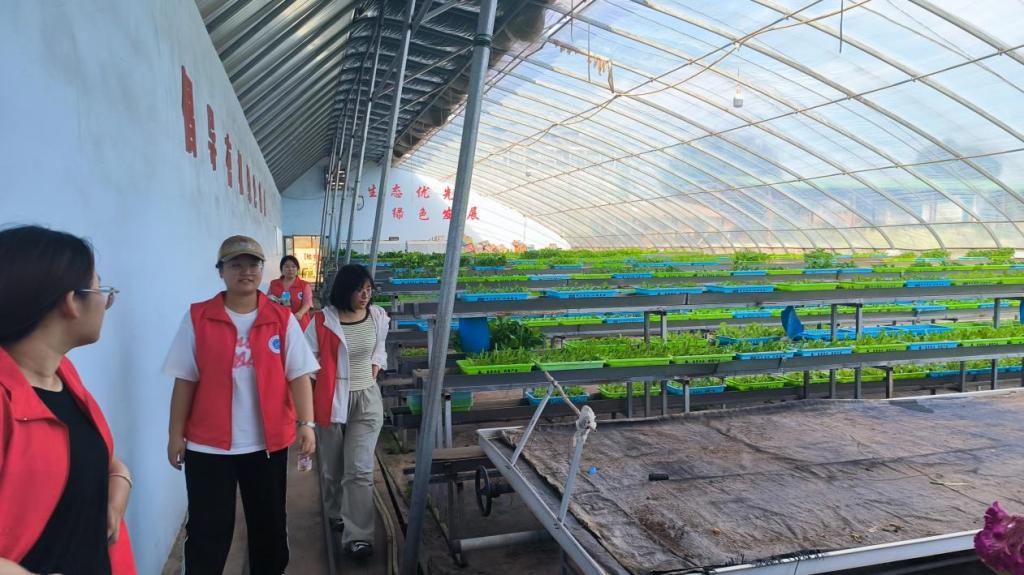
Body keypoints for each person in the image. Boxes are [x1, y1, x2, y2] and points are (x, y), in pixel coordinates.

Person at [163, 235, 319, 575]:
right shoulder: (199, 317)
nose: (245, 271)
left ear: (262, 270)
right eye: (235, 265)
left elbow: (298, 374)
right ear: (220, 271)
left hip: (266, 444)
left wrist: (307, 423)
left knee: (269, 526)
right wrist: (175, 434)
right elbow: (185, 379)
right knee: (208, 529)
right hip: (208, 446)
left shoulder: (280, 318)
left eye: (252, 265)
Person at [0, 225, 136, 575]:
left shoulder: (63, 377)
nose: (107, 302)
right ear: (71, 301)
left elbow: (84, 459)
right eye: (101, 288)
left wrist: (119, 480)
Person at [305, 263, 390, 558]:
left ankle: (359, 536)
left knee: (359, 468)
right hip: (331, 398)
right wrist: (307, 412)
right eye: (359, 290)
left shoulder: (377, 317)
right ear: (344, 291)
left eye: (368, 290)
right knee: (334, 466)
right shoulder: (322, 322)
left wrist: (376, 365)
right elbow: (307, 364)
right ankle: (336, 510)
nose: (365, 296)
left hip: (367, 400)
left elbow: (380, 347)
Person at [268, 255, 313, 331]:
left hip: (299, 322)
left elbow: (307, 303)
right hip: (278, 322)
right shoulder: (274, 283)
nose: (290, 269)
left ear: (297, 269)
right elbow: (268, 299)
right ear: (281, 269)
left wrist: (300, 313)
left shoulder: (304, 285)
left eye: (293, 266)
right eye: (287, 266)